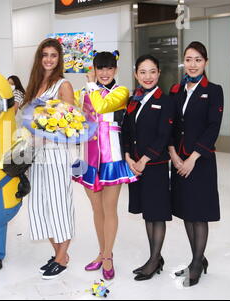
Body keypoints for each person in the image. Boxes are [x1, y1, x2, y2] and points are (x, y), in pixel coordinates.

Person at [72, 51, 136, 280]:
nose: (105, 73)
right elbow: (77, 115)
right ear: (95, 69)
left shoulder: (121, 91)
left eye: (109, 68)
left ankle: (108, 256)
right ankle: (101, 252)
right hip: (88, 156)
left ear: (115, 70)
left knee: (110, 209)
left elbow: (100, 106)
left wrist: (90, 85)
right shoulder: (83, 92)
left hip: (112, 157)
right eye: (101, 68)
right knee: (96, 209)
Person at [168, 41, 223, 287]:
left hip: (200, 162)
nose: (192, 64)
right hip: (179, 161)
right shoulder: (176, 91)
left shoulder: (214, 90)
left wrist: (192, 158)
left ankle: (197, 264)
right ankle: (196, 259)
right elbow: (170, 125)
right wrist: (174, 155)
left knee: (199, 214)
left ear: (205, 62)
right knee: (187, 212)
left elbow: (213, 128)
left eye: (198, 60)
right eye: (188, 59)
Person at [22, 38, 75, 280]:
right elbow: (23, 114)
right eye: (45, 55)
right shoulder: (35, 85)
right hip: (35, 155)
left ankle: (60, 258)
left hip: (55, 153)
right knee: (39, 206)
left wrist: (45, 134)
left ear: (59, 58)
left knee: (58, 205)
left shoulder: (63, 85)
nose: (49, 59)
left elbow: (69, 122)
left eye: (53, 55)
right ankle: (60, 255)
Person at [121, 54, 174, 281]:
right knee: (147, 213)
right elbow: (125, 130)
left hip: (155, 166)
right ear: (136, 74)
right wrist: (127, 156)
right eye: (142, 72)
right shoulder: (134, 100)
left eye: (152, 71)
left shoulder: (166, 100)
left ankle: (154, 260)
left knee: (157, 213)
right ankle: (155, 256)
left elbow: (164, 135)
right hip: (136, 166)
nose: (148, 76)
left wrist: (143, 159)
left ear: (159, 73)